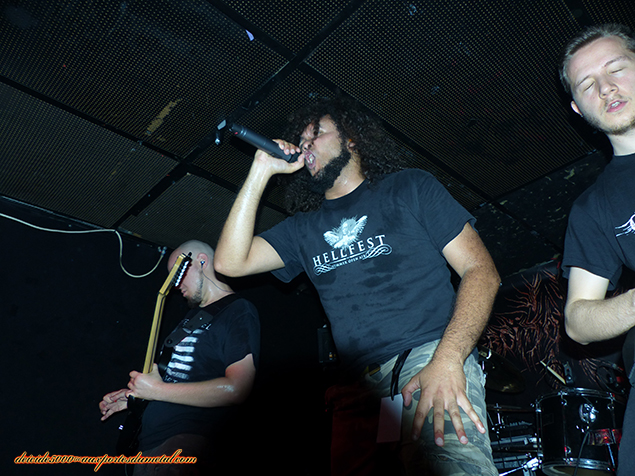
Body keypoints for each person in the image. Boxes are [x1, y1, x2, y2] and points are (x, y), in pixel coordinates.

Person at [214, 97, 500, 475]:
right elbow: (229, 263)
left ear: (351, 138)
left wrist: (448, 360)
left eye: (316, 134)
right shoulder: (302, 228)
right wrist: (260, 171)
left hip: (428, 358)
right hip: (359, 391)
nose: (305, 144)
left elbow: (481, 271)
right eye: (301, 139)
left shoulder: (409, 187)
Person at [99, 240, 260, 475]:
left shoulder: (238, 311)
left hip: (185, 444)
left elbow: (238, 389)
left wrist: (157, 391)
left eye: (178, 273)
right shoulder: (191, 318)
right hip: (149, 448)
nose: (175, 284)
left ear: (202, 261)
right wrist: (138, 397)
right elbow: (175, 381)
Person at [559, 23, 635, 476]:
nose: (605, 88)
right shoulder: (593, 207)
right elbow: (578, 321)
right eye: (587, 84)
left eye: (616, 69)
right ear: (578, 109)